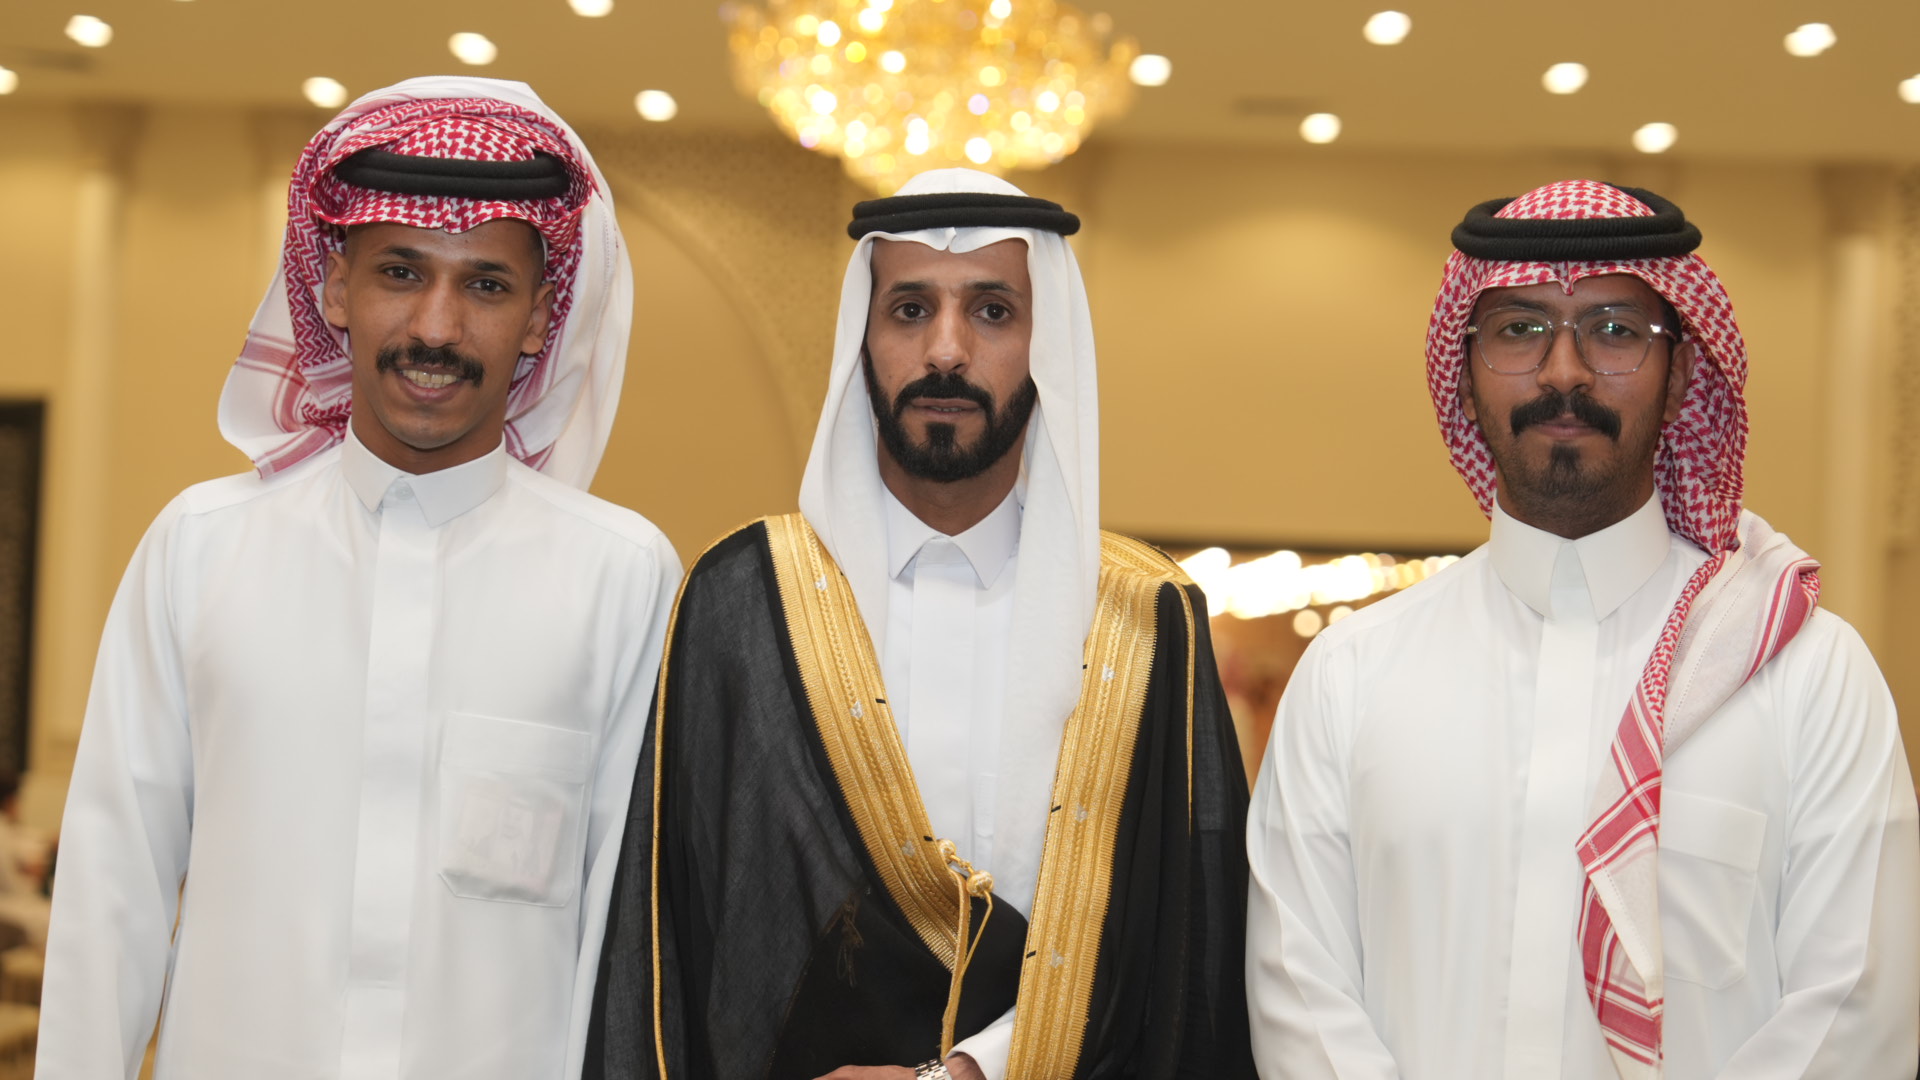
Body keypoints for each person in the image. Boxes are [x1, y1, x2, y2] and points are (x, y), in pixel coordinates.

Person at [36, 77, 679, 1079]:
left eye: (487, 286)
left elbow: (625, 936)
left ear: (542, 316)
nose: (437, 327)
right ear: (336, 288)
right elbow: (111, 894)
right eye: (400, 272)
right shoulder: (199, 549)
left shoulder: (621, 577)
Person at [585, 170, 1255, 1080]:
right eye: (909, 310)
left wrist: (973, 1071)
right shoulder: (743, 596)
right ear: (860, 341)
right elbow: (668, 936)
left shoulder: (1145, 617)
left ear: (1047, 343)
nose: (946, 351)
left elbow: (1186, 944)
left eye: (992, 312)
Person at [1245, 179, 1920, 1079]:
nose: (1564, 371)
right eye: (1519, 328)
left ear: (1681, 377)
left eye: (1614, 329)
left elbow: (1854, 1012)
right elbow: (1303, 997)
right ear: (1464, 373)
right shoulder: (1350, 675)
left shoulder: (1809, 673)